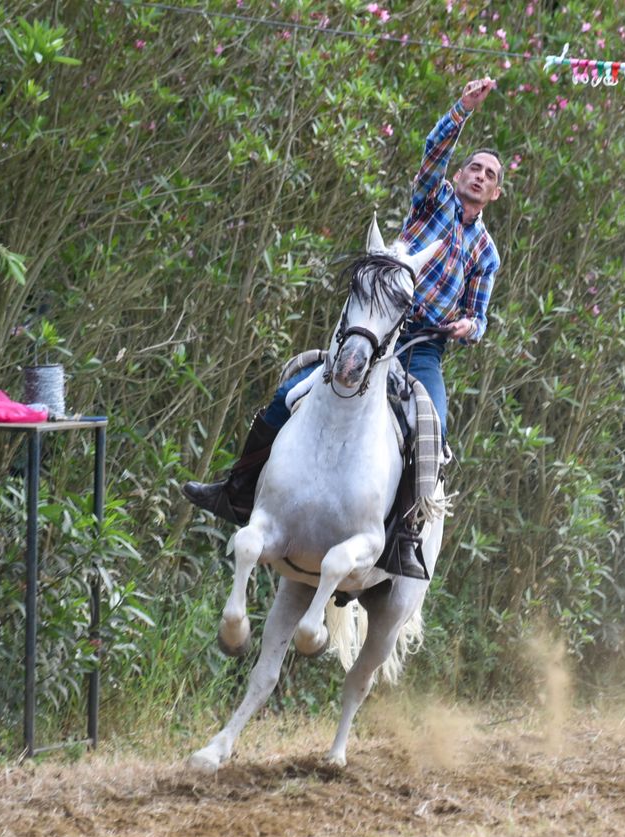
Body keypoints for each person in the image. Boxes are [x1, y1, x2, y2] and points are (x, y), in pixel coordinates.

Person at [182, 77, 505, 579]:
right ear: (460, 175)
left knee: (432, 435)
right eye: (475, 168)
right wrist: (462, 109)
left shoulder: (487, 253)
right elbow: (433, 149)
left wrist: (470, 326)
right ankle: (236, 490)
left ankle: (402, 538)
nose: (480, 176)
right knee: (289, 393)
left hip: (423, 350)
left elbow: (480, 314)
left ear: (496, 193)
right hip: (375, 328)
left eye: (490, 175)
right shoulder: (432, 198)